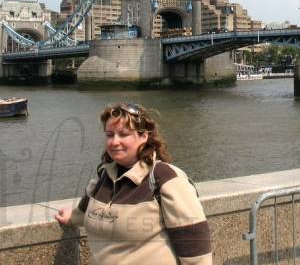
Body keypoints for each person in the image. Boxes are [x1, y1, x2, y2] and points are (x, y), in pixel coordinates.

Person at [55, 102, 212, 264]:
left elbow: (196, 248)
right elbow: (84, 211)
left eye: (123, 134)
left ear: (144, 136)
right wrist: (70, 218)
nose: (114, 142)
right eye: (110, 135)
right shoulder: (103, 174)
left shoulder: (166, 178)